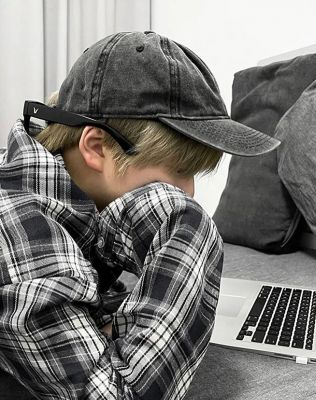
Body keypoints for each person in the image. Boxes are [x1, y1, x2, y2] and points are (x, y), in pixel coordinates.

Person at [0, 31, 279, 399]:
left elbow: (96, 303)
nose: (189, 190)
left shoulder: (70, 200)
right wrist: (187, 225)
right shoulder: (16, 221)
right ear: (96, 147)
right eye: (179, 170)